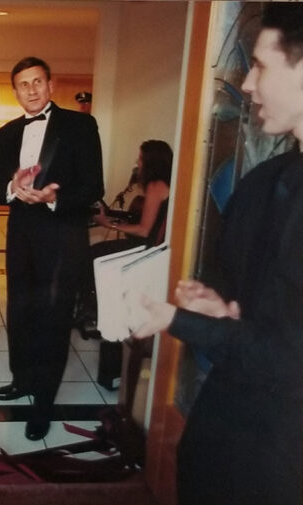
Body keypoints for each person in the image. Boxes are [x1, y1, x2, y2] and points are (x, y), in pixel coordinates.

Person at [135, 4, 303, 504]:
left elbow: (290, 359)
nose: (247, 84)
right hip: (226, 418)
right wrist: (220, 305)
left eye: (262, 66)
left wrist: (178, 320)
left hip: (280, 450)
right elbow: (258, 303)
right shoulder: (262, 184)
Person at [0, 56, 104, 441]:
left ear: (51, 85)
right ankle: (22, 379)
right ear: (16, 90)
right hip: (21, 232)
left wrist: (55, 197)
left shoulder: (80, 125)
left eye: (38, 81)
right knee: (20, 308)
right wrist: (11, 188)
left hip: (62, 232)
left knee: (53, 316)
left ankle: (43, 403)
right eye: (23, 84)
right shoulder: (5, 134)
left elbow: (94, 187)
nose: (32, 90)